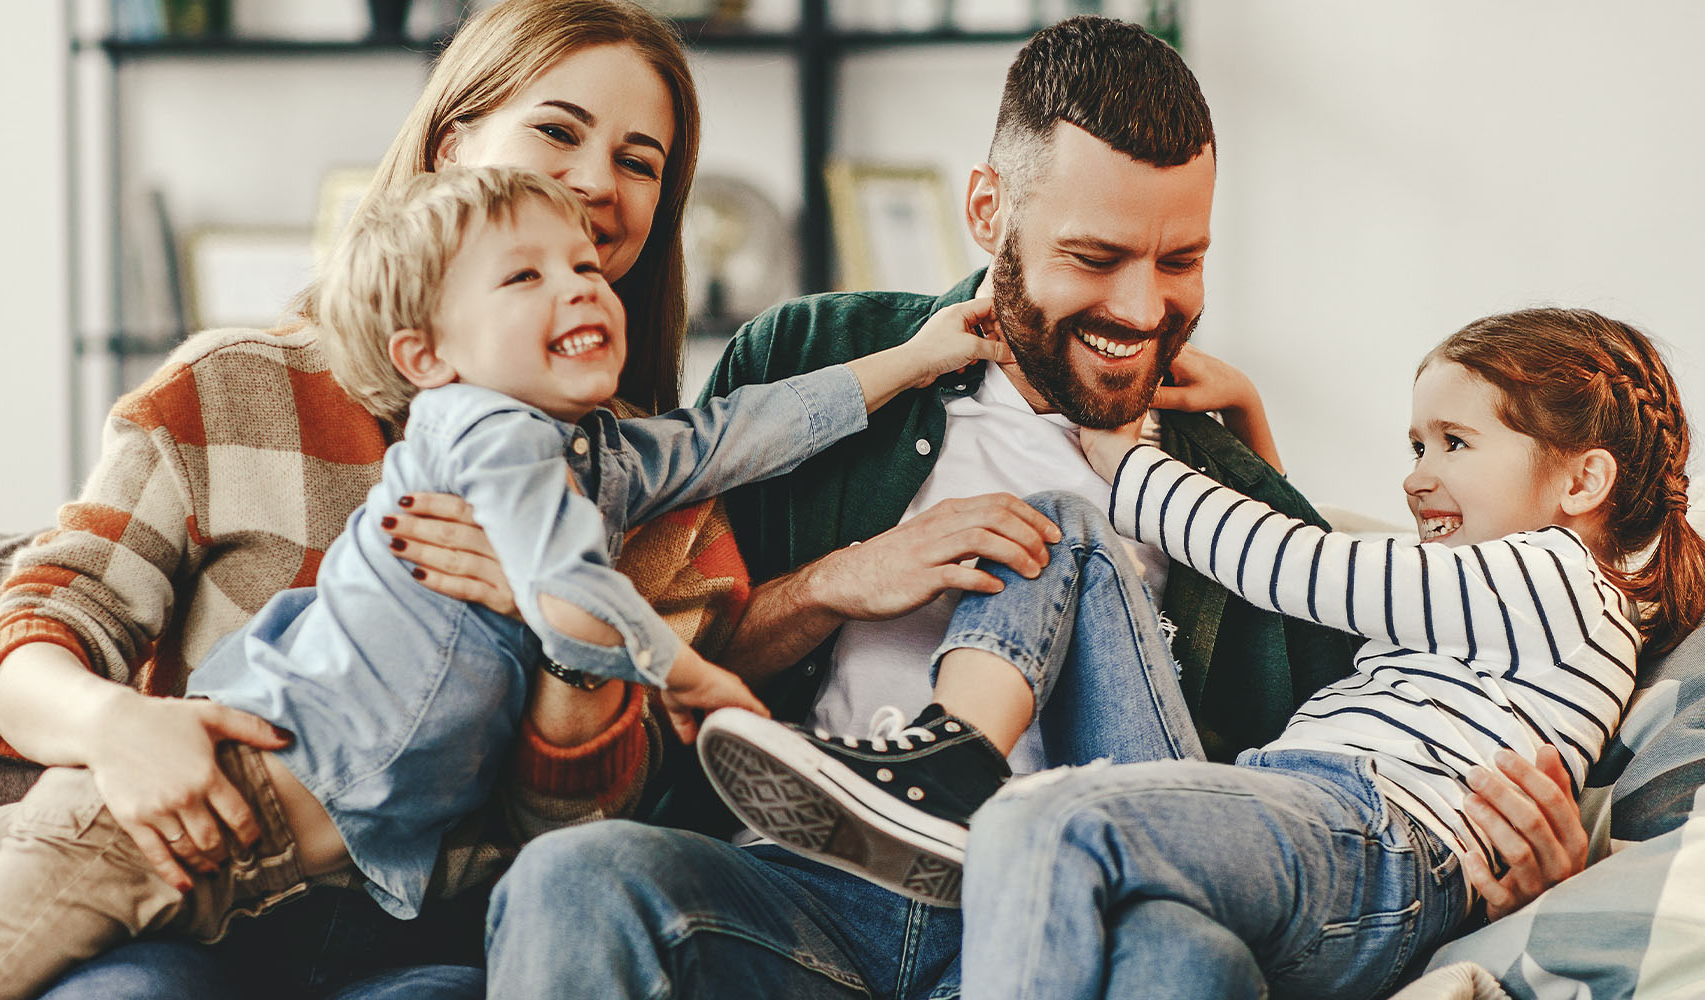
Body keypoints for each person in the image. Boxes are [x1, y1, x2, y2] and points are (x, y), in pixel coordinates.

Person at [0, 168, 999, 1000]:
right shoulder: (485, 437)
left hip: (250, 875)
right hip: (174, 814)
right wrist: (691, 676)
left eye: (593, 259)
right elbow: (570, 587)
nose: (586, 281)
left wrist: (918, 360)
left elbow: (728, 435)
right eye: (529, 271)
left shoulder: (594, 454)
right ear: (430, 351)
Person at [0, 3, 716, 997]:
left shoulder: (651, 490)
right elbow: (36, 634)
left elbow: (579, 856)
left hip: (425, 944)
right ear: (452, 142)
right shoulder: (234, 386)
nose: (597, 182)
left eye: (640, 160)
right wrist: (118, 726)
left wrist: (558, 622)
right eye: (559, 131)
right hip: (174, 899)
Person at [484, 17, 1598, 998]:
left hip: (1065, 920)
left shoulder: (1228, 496)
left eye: (1181, 259)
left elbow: (1326, 779)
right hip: (802, 897)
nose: (1142, 306)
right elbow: (676, 657)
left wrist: (1513, 871)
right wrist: (836, 583)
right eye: (1095, 256)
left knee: (1194, 963)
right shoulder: (817, 358)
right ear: (988, 209)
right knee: (576, 880)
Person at [955, 308, 1705, 999]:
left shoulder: (1555, 575)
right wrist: (1249, 417)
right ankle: (947, 746)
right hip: (1319, 837)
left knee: (1043, 822)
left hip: (1377, 839)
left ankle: (939, 789)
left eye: (1454, 443)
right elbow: (1326, 587)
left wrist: (1127, 461)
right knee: (1173, 956)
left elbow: (1298, 567)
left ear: (1585, 480)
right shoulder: (1497, 606)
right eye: (1418, 445)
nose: (1416, 477)